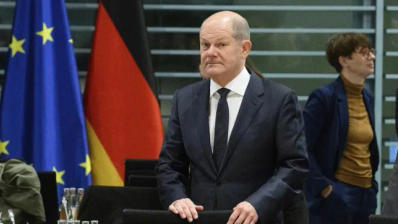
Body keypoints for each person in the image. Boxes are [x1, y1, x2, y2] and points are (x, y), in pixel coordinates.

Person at [156, 11, 308, 224]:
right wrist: (177, 197)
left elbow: (294, 165)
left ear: (244, 48)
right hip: (199, 218)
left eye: (221, 45)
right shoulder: (185, 99)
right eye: (204, 45)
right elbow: (169, 165)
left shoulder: (279, 99)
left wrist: (258, 203)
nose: (210, 52)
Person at [304, 33, 379, 224]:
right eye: (364, 53)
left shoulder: (366, 97)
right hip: (337, 193)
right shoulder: (324, 97)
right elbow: (303, 147)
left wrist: (372, 187)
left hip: (365, 193)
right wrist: (325, 188)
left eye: (371, 52)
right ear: (344, 60)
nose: (372, 57)